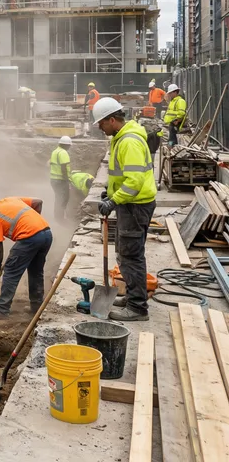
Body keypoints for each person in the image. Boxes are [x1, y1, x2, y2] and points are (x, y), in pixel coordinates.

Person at [92, 97, 157, 321]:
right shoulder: (121, 138)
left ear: (112, 119)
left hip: (134, 205)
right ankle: (132, 296)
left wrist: (113, 201)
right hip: (130, 204)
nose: (100, 128)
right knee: (126, 253)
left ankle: (137, 308)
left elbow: (134, 182)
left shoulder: (128, 142)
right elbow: (122, 177)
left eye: (101, 123)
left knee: (131, 256)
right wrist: (110, 194)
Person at [0, 191, 52, 320]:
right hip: (46, 233)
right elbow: (38, 202)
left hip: (29, 238)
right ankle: (37, 307)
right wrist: (33, 223)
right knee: (36, 271)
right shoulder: (10, 199)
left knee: (10, 271)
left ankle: (2, 309)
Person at [49, 136, 72, 221]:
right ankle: (60, 218)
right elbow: (64, 167)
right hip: (61, 180)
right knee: (64, 198)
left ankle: (58, 217)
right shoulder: (63, 153)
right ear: (66, 145)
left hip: (54, 179)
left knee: (58, 198)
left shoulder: (55, 151)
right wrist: (67, 180)